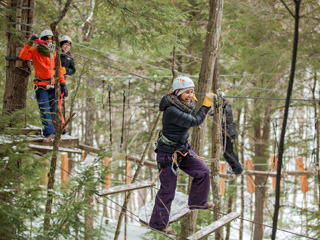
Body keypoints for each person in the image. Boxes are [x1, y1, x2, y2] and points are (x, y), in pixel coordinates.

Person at [149, 76, 215, 235]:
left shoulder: (181, 104)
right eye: (186, 92)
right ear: (177, 93)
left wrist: (194, 101)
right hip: (167, 154)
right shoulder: (171, 110)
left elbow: (190, 110)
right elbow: (196, 120)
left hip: (182, 150)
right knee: (168, 190)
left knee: (203, 171)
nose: (190, 96)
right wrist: (205, 106)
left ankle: (197, 202)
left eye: (191, 92)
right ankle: (158, 223)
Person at [19, 29, 68, 142]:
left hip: (54, 85)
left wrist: (63, 84)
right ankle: (49, 132)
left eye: (50, 40)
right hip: (41, 85)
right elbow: (23, 55)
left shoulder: (54, 53)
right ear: (42, 41)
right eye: (46, 40)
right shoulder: (35, 51)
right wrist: (29, 43)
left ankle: (58, 129)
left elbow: (59, 69)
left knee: (54, 108)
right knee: (44, 109)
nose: (48, 43)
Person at [220, 96, 243, 175]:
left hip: (228, 132)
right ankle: (236, 168)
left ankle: (237, 169)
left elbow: (224, 112)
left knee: (228, 152)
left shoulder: (226, 107)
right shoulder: (225, 107)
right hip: (228, 132)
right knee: (227, 152)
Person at [59, 35, 76, 134]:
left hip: (62, 81)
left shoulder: (69, 58)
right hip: (51, 80)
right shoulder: (56, 55)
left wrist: (66, 70)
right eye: (65, 45)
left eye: (68, 46)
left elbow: (73, 70)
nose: (66, 47)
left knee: (59, 104)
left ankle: (62, 126)